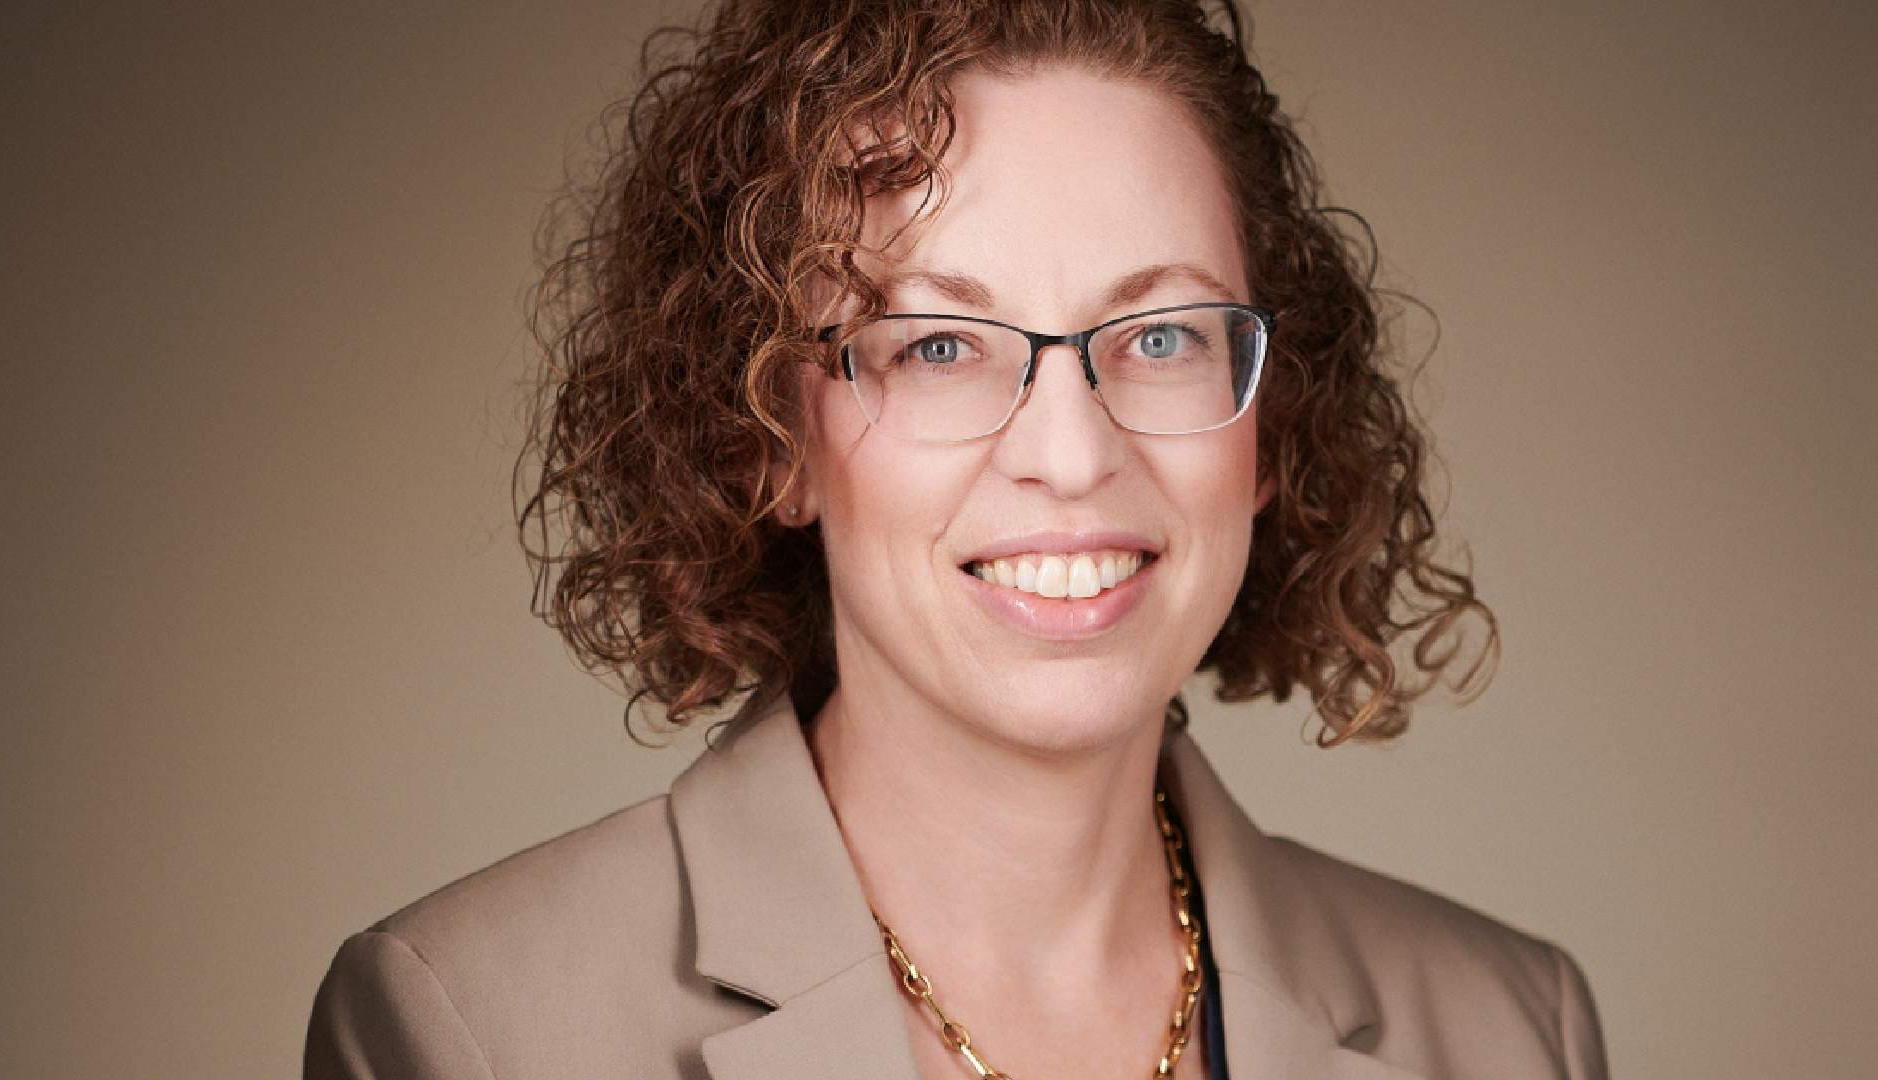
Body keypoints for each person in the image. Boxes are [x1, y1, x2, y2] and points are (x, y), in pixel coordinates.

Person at [304, 1, 1610, 1077]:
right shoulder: (469, 1029)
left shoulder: (1506, 1030)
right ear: (770, 434)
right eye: (938, 345)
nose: (1072, 452)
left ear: (1270, 418)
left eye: (1160, 336)